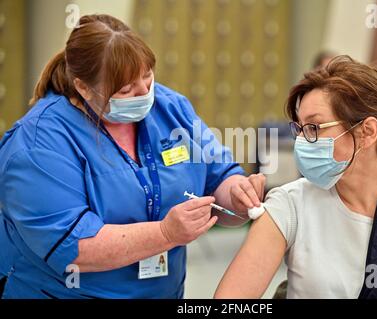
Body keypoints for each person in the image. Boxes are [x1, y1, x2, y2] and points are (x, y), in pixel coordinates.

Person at [0, 14, 265, 299]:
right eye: (125, 89)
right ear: (83, 87)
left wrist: (237, 196)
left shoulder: (169, 108)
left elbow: (218, 176)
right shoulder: (39, 143)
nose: (145, 93)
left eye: (147, 75)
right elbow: (73, 248)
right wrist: (165, 234)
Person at [215, 55, 377, 299]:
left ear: (367, 132)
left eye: (314, 128)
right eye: (300, 129)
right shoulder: (289, 204)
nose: (302, 142)